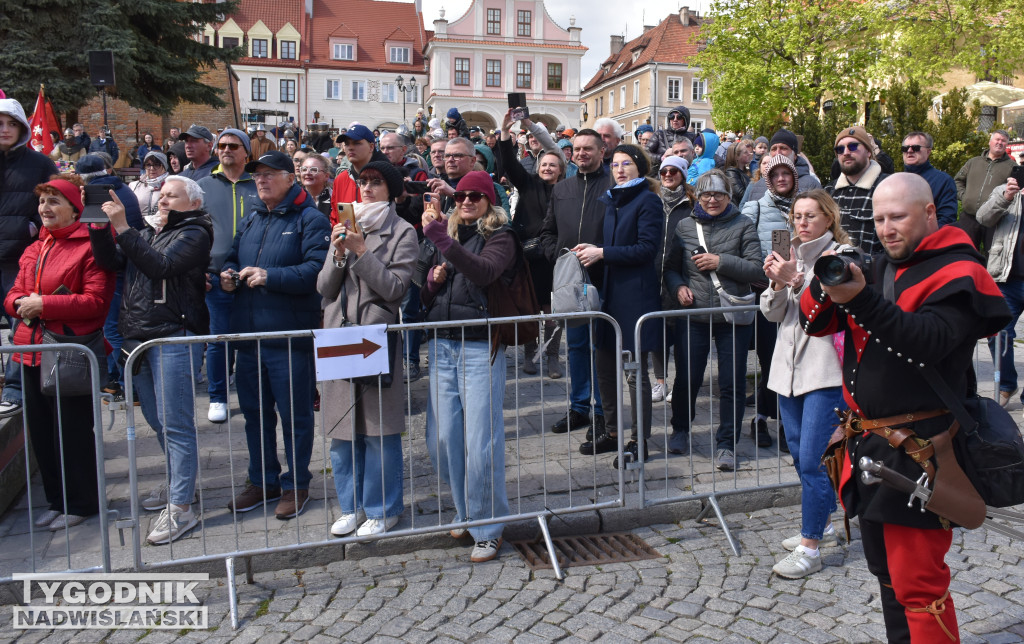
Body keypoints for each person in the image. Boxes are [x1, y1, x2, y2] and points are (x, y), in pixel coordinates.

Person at [799, 173, 1010, 641]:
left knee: (919, 583)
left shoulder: (959, 271)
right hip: (870, 444)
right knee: (888, 576)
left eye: (898, 217)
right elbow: (814, 324)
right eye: (879, 219)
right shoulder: (877, 267)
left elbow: (927, 342)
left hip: (922, 449)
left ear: (930, 213)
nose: (886, 229)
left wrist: (863, 300)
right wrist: (825, 277)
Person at [90, 176, 212, 544]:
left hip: (173, 334)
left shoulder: (195, 232)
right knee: (157, 421)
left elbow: (161, 266)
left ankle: (182, 507)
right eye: (161, 194)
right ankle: (180, 486)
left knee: (176, 423)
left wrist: (123, 227)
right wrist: (99, 227)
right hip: (139, 336)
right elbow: (112, 261)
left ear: (193, 203)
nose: (163, 199)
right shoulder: (148, 231)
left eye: (172, 195)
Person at [221, 151, 331, 520]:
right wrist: (227, 276)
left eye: (270, 174)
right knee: (255, 415)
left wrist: (270, 277)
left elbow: (317, 272)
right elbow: (232, 257)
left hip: (289, 337)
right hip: (249, 336)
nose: (261, 180)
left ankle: (297, 484)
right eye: (257, 175)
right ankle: (262, 480)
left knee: (295, 417)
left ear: (290, 178)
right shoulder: (252, 216)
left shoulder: (310, 219)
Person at [4, 175, 114, 530]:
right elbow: (13, 293)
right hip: (30, 350)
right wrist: (20, 303)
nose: (44, 208)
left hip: (68, 353)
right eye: (42, 201)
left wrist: (43, 305)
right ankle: (57, 500)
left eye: (54, 201)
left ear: (74, 209)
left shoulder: (91, 246)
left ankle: (81, 503)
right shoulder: (36, 246)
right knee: (41, 432)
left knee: (72, 432)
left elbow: (95, 302)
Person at [420, 170, 516, 563]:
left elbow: (484, 272)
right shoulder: (450, 233)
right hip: (442, 343)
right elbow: (425, 295)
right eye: (460, 196)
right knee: (442, 440)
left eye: (475, 195)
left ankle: (488, 526)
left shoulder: (501, 236)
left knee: (480, 443)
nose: (466, 201)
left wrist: (440, 238)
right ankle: (465, 510)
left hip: (479, 347)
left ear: (489, 200)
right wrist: (432, 282)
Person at [318, 161, 417, 538]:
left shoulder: (402, 231)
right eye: (363, 182)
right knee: (341, 429)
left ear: (390, 190)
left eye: (376, 182)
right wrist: (338, 253)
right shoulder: (344, 225)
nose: (367, 188)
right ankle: (351, 506)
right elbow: (324, 288)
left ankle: (383, 508)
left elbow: (395, 288)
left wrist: (361, 251)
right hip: (338, 333)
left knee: (378, 430)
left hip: (374, 337)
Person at [760, 189, 851, 578]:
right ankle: (824, 524)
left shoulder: (841, 256)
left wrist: (796, 279)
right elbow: (772, 313)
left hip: (824, 372)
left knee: (815, 461)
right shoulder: (789, 253)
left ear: (828, 218)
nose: (802, 223)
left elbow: (829, 307)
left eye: (810, 216)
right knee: (800, 456)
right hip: (787, 372)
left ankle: (810, 546)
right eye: (797, 216)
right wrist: (777, 284)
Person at [663, 170, 763, 469]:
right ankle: (680, 429)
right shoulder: (684, 226)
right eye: (706, 194)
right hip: (694, 314)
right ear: (697, 197)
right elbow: (671, 268)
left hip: (732, 315)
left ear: (728, 196)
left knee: (732, 382)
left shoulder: (743, 224)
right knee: (687, 378)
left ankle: (726, 444)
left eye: (719, 194)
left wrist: (721, 262)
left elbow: (757, 269)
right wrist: (678, 288)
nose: (712, 200)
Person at [574, 144, 663, 466]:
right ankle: (612, 432)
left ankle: (639, 440)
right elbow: (613, 246)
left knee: (634, 373)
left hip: (635, 297)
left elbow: (646, 249)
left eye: (627, 164)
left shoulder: (648, 200)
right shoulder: (613, 199)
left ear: (640, 168)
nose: (620, 169)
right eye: (615, 165)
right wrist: (595, 249)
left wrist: (602, 253)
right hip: (609, 296)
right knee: (605, 367)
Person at [538, 129, 612, 436]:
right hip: (570, 281)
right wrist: (557, 255)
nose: (581, 153)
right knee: (577, 346)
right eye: (577, 148)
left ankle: (603, 412)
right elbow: (548, 230)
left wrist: (604, 254)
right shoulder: (562, 188)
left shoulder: (614, 185)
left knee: (602, 348)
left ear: (601, 152)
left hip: (605, 277)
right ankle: (579, 407)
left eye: (587, 149)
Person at [0, 98, 60, 418]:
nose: (5, 130)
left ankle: (14, 390)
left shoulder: (39, 163)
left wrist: (34, 229)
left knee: (20, 326)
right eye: (0, 124)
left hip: (21, 259)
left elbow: (58, 202)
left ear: (23, 128)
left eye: (12, 124)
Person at [497, 108, 564, 378]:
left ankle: (552, 357)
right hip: (528, 256)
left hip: (554, 257)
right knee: (530, 308)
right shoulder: (527, 183)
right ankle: (529, 354)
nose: (547, 168)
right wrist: (505, 131)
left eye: (553, 165)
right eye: (544, 164)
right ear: (538, 167)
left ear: (561, 170)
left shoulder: (566, 189)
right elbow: (508, 162)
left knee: (552, 312)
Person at [742, 154, 803, 447]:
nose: (781, 179)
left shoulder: (802, 210)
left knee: (792, 358)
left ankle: (785, 422)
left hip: (797, 293)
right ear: (767, 179)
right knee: (770, 359)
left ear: (794, 177)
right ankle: (761, 419)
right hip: (765, 293)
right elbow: (743, 246)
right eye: (775, 174)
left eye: (786, 174)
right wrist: (768, 271)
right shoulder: (754, 208)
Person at [197, 129, 258, 423]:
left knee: (250, 341)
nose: (226, 150)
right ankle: (218, 396)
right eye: (221, 145)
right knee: (218, 340)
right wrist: (197, 270)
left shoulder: (257, 184)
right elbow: (192, 231)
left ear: (246, 152)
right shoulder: (202, 185)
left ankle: (251, 395)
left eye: (233, 145)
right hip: (215, 275)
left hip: (253, 276)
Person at [977, 172, 1024, 410]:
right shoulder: (1004, 191)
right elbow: (983, 217)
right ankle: (1006, 384)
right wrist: (1006, 197)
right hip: (1007, 278)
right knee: (998, 333)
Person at [650, 156, 693, 403]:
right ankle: (659, 381)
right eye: (664, 171)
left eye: (674, 171)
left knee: (681, 334)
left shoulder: (691, 204)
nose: (668, 175)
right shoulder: (652, 201)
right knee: (658, 333)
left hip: (680, 276)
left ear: (683, 175)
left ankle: (679, 383)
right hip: (654, 274)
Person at [826, 126, 889, 256]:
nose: (846, 152)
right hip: (834, 267)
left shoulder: (888, 187)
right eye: (840, 149)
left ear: (868, 151)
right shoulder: (828, 192)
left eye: (853, 146)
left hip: (873, 267)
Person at [954, 129, 1015, 253]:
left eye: (1003, 141)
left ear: (1007, 145)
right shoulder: (973, 162)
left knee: (993, 256)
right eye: (997, 139)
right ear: (990, 142)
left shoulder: (1012, 167)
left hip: (995, 221)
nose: (1000, 143)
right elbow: (957, 181)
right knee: (966, 253)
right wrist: (964, 197)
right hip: (969, 218)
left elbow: (1016, 193)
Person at [330, 125, 389, 223]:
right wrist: (337, 230)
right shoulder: (340, 179)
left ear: (371, 147)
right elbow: (335, 216)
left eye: (356, 143)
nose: (350, 148)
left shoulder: (384, 178)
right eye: (347, 144)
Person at [745, 129, 822, 204]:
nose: (778, 153)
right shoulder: (758, 186)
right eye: (774, 149)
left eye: (783, 148)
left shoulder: (811, 185)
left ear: (795, 155)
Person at [901, 132, 957, 227]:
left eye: (916, 147)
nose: (909, 151)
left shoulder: (943, 181)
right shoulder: (895, 181)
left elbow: (947, 219)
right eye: (905, 148)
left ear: (928, 151)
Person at [724, 140, 753, 207]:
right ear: (736, 156)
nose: (749, 154)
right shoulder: (731, 173)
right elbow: (741, 194)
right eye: (745, 152)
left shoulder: (746, 170)